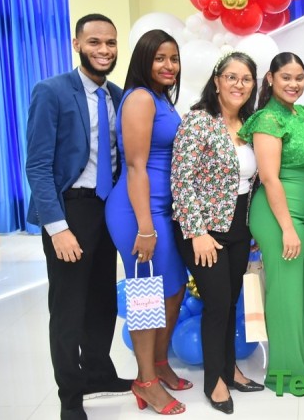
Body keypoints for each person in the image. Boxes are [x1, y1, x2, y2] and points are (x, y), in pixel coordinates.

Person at [26, 13, 132, 420]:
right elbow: (37, 166)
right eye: (94, 42)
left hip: (108, 209)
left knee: (103, 300)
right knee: (68, 307)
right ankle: (70, 397)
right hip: (70, 209)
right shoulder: (51, 91)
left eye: (110, 43)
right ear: (77, 45)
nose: (104, 50)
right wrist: (58, 228)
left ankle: (98, 372)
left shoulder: (119, 96)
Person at [171, 51, 265, 415]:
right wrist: (197, 233)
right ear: (217, 81)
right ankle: (215, 381)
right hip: (204, 230)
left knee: (230, 302)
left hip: (239, 228)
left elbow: (251, 181)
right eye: (231, 77)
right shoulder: (198, 121)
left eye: (246, 78)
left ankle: (231, 369)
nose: (239, 84)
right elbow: (181, 180)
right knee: (217, 303)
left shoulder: (249, 124)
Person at [105, 29, 189, 415]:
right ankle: (146, 382)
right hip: (138, 211)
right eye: (160, 58)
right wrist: (145, 227)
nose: (169, 65)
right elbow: (136, 166)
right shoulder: (140, 98)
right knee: (147, 296)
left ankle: (158, 362)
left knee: (174, 290)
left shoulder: (161, 98)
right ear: (144, 60)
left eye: (174, 58)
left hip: (162, 211)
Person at [238, 52, 304, 391]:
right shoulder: (267, 119)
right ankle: (287, 373)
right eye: (286, 77)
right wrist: (288, 228)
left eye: (299, 77)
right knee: (286, 292)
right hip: (279, 215)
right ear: (271, 79)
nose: (294, 84)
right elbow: (269, 178)